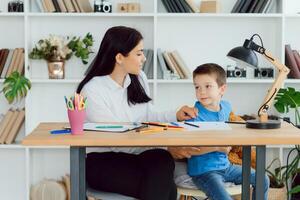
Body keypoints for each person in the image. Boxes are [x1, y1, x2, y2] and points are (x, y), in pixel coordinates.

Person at [76, 26, 198, 200]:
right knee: (167, 187)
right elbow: (117, 141)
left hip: (138, 156)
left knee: (162, 161)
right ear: (119, 57)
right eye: (139, 53)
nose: (144, 58)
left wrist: (175, 115)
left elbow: (147, 118)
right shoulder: (92, 90)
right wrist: (167, 147)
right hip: (103, 161)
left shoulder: (139, 78)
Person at [185, 63, 270, 200]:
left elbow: (232, 124)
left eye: (207, 86)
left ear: (222, 89)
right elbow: (189, 149)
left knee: (263, 179)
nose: (201, 91)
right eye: (197, 87)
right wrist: (217, 147)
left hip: (227, 167)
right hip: (204, 172)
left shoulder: (226, 107)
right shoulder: (194, 116)